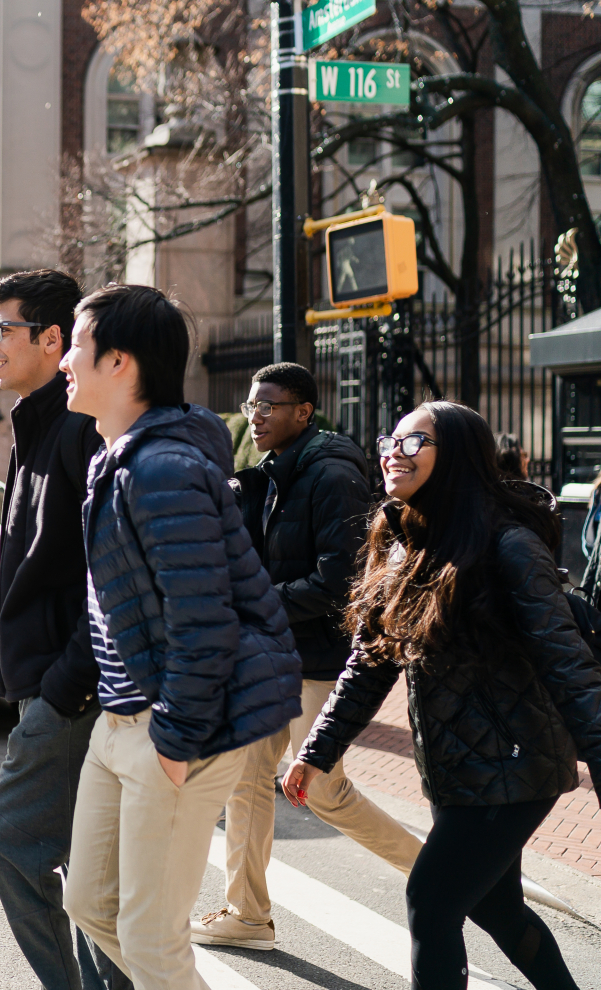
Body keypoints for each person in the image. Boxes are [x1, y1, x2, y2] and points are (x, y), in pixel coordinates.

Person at [285, 401, 601, 990]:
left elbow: (571, 669)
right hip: (458, 767)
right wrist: (318, 748)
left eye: (413, 443)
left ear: (455, 454)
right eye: (390, 441)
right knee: (497, 908)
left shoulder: (507, 546)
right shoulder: (406, 538)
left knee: (430, 900)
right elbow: (371, 662)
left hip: (516, 767)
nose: (392, 453)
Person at [59, 283, 301, 990]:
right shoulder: (124, 456)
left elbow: (205, 617)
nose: (66, 357)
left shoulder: (162, 468)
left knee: (150, 939)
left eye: (77, 342)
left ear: (120, 362)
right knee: (89, 902)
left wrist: (176, 736)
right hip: (122, 717)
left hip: (177, 728)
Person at [192, 363, 418, 951]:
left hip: (318, 658)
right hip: (273, 654)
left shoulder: (332, 473)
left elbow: (339, 580)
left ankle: (443, 876)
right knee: (245, 779)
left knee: (320, 790)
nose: (255, 414)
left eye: (269, 405)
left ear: (304, 411)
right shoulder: (270, 473)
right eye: (251, 403)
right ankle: (247, 914)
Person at [0, 269, 129, 990]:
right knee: (89, 867)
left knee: (12, 839)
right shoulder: (36, 423)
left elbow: (113, 572)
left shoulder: (76, 431)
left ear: (51, 337)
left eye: (0, 329)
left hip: (72, 689)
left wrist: (66, 684)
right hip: (51, 681)